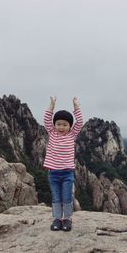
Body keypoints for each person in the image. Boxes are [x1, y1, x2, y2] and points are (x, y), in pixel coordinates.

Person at [43, 96, 83, 231]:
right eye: (58, 124)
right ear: (54, 125)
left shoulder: (72, 135)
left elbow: (80, 122)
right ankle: (57, 219)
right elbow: (46, 120)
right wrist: (51, 106)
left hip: (67, 173)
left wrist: (76, 107)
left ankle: (67, 219)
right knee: (56, 198)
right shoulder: (52, 133)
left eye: (65, 124)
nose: (61, 127)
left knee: (66, 197)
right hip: (53, 173)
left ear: (70, 126)